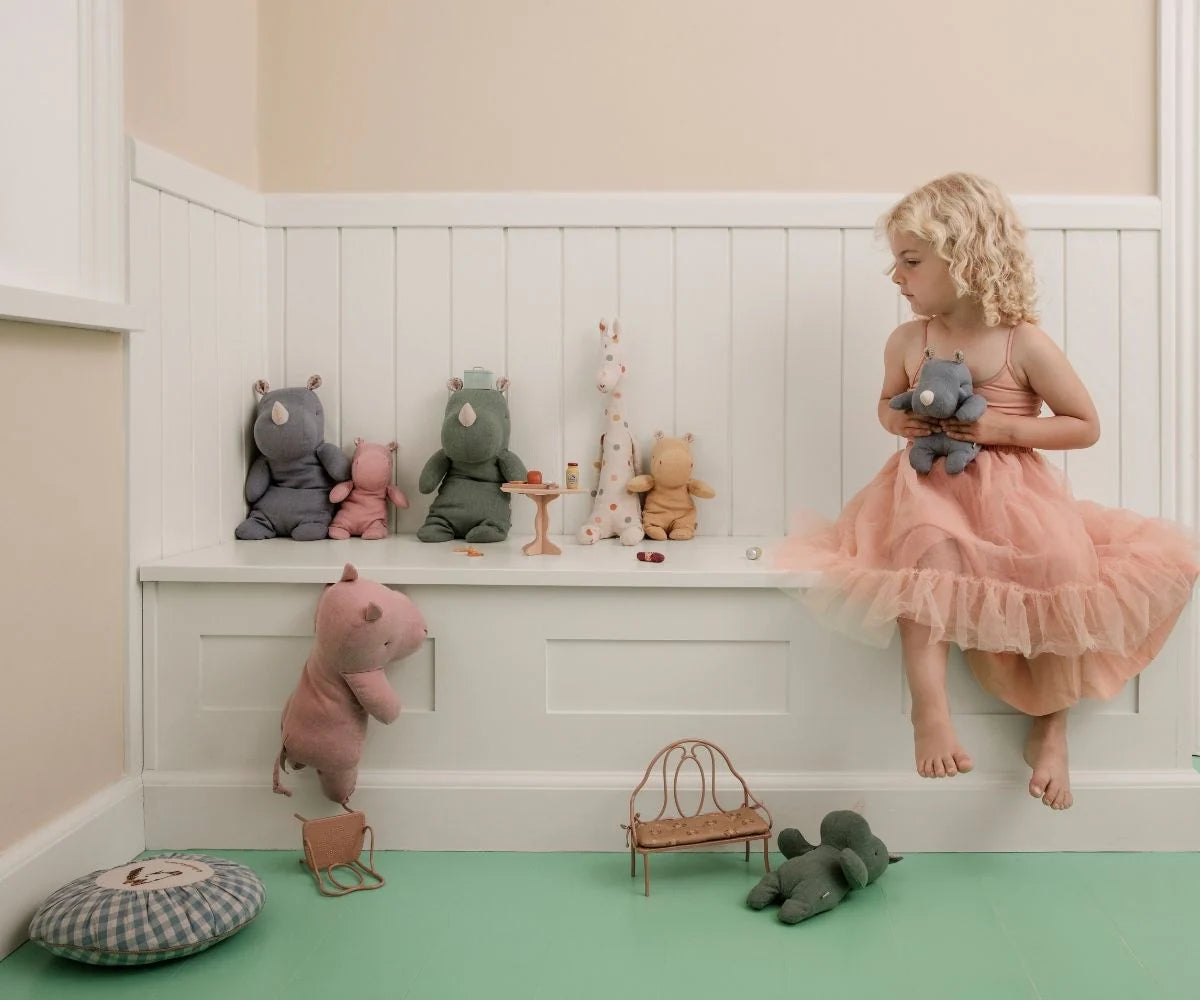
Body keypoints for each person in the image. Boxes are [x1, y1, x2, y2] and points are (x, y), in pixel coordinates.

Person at [779, 172, 1197, 810]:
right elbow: (885, 407)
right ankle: (930, 709)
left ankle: (1051, 727)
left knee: (1063, 563)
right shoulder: (908, 341)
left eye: (911, 261)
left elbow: (1084, 425)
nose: (897, 277)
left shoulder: (1021, 342)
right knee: (927, 555)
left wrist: (999, 426)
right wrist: (901, 421)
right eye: (896, 261)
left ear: (965, 256)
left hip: (1014, 492)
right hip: (929, 485)